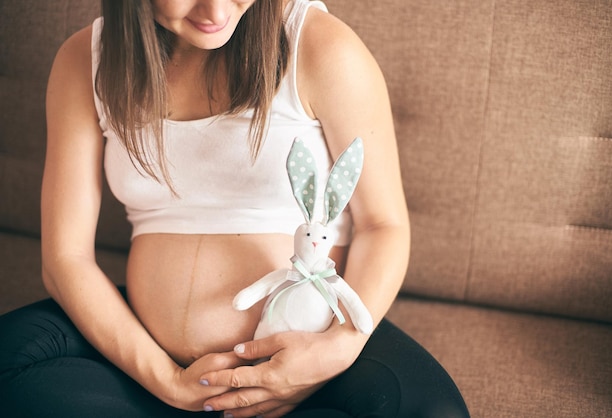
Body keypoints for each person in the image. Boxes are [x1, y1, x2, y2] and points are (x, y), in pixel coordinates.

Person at [0, 0, 470, 417]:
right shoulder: (87, 61)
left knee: (432, 411)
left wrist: (335, 351)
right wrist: (167, 382)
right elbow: (66, 260)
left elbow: (383, 225)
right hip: (146, 369)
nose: (217, 12)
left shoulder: (320, 45)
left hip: (311, 356)